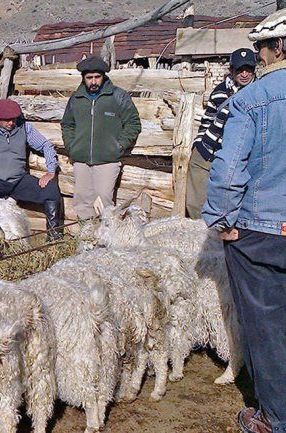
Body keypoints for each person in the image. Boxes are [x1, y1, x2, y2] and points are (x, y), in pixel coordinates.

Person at [202, 9, 286, 433]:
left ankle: (275, 416)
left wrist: (220, 221)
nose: (261, 56)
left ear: (279, 46)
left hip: (264, 229)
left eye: (263, 48)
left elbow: (230, 167)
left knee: (267, 323)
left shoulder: (253, 99)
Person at [0, 98, 63, 239]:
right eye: (7, 120)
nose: (11, 123)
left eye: (13, 119)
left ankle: (54, 236)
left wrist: (51, 171)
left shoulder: (24, 127)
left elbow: (46, 145)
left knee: (51, 190)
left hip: (19, 180)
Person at [61, 56, 142, 220]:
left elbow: (133, 123)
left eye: (97, 77)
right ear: (83, 78)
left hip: (108, 160)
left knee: (104, 200)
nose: (93, 82)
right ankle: (85, 238)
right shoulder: (76, 99)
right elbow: (67, 124)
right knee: (82, 200)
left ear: (103, 76)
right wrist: (72, 146)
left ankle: (104, 239)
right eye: (89, 78)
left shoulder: (118, 96)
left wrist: (118, 146)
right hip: (81, 159)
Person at [186, 48, 257, 219]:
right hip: (206, 151)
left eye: (249, 69)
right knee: (195, 204)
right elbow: (207, 119)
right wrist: (198, 143)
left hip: (233, 156)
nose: (245, 74)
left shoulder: (257, 93)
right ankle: (200, 237)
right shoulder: (220, 91)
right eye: (240, 70)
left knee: (228, 202)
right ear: (232, 70)